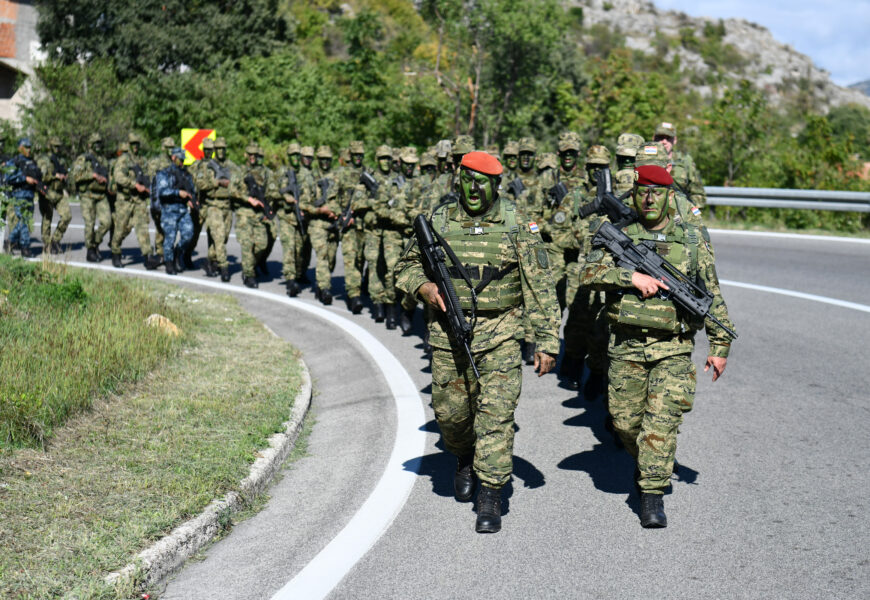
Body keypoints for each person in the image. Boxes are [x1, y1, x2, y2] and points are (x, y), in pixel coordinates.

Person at [395, 151, 560, 533]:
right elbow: (405, 267)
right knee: (451, 416)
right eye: (466, 180)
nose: (472, 188)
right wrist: (424, 286)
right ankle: (464, 455)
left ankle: (492, 493)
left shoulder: (518, 224)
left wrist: (547, 340)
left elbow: (540, 286)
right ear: (458, 180)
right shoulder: (439, 220)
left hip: (502, 334)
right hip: (448, 335)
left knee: (496, 416)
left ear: (496, 185)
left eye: (481, 182)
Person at [581, 163, 735, 528]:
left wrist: (720, 345)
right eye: (643, 191)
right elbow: (586, 275)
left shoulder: (692, 239)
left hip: (673, 348)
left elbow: (711, 294)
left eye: (658, 192)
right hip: (626, 347)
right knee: (624, 422)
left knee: (660, 424)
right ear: (634, 193)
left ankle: (652, 492)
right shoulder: (619, 233)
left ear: (670, 196)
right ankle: (651, 462)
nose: (649, 198)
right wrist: (629, 276)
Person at [233, 143, 279, 288]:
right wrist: (248, 199)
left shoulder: (266, 172)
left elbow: (273, 191)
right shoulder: (240, 171)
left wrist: (269, 206)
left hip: (259, 213)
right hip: (244, 213)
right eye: (250, 155)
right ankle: (249, 274)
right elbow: (231, 190)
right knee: (247, 244)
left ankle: (251, 265)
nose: (253, 158)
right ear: (246, 155)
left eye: (256, 155)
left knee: (262, 244)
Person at [304, 145, 344, 304]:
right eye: (322, 159)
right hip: (317, 224)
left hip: (333, 225)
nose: (325, 162)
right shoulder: (311, 178)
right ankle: (325, 289)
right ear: (318, 160)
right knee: (322, 257)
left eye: (328, 159)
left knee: (331, 259)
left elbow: (344, 200)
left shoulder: (337, 178)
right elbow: (304, 204)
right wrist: (320, 210)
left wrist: (336, 211)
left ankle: (320, 285)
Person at [110, 133, 154, 268]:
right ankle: (116, 252)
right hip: (125, 200)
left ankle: (148, 256)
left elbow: (148, 174)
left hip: (139, 200)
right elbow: (118, 177)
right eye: (133, 144)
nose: (135, 147)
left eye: (137, 144)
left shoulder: (142, 160)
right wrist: (134, 185)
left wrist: (148, 187)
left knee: (142, 228)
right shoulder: (123, 159)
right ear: (129, 145)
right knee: (121, 228)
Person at [153, 147, 197, 275]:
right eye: (180, 159)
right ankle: (169, 262)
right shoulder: (164, 173)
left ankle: (178, 253)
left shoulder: (186, 175)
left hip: (183, 209)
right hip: (169, 210)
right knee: (170, 238)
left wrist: (192, 200)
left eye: (183, 160)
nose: (182, 162)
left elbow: (191, 191)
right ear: (173, 158)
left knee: (189, 234)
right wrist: (178, 193)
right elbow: (162, 191)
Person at [73, 133, 113, 262]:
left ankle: (94, 243)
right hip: (87, 195)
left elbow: (109, 176)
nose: (98, 145)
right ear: (89, 144)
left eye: (99, 143)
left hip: (101, 195)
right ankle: (90, 251)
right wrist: (93, 175)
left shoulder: (104, 160)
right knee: (89, 224)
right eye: (95, 143)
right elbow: (76, 175)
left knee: (107, 222)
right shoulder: (83, 159)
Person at [653, 121, 706, 209]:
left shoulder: (685, 161)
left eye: (668, 138)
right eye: (660, 138)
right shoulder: (644, 159)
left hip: (679, 211)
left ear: (675, 140)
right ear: (654, 138)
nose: (664, 142)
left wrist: (689, 211)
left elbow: (698, 193)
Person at [4, 138, 41, 257]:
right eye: (26, 147)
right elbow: (8, 177)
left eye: (30, 147)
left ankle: (10, 241)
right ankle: (25, 248)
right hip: (19, 195)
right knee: (23, 222)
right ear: (20, 148)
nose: (29, 150)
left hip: (30, 195)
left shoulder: (32, 162)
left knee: (25, 221)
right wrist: (24, 178)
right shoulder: (15, 161)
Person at [36, 136, 71, 254]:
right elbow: (41, 176)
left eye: (59, 146)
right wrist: (55, 175)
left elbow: (66, 173)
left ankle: (55, 240)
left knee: (67, 216)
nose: (57, 149)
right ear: (50, 146)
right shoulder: (43, 160)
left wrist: (66, 177)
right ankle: (47, 244)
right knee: (47, 218)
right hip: (47, 192)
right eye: (55, 146)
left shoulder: (61, 160)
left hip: (59, 192)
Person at [145, 137, 176, 267]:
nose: (170, 150)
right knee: (161, 227)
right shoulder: (155, 162)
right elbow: (153, 183)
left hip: (172, 200)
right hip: (159, 200)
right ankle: (160, 253)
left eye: (172, 147)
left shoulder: (175, 162)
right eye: (168, 147)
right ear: (163, 148)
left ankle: (166, 253)